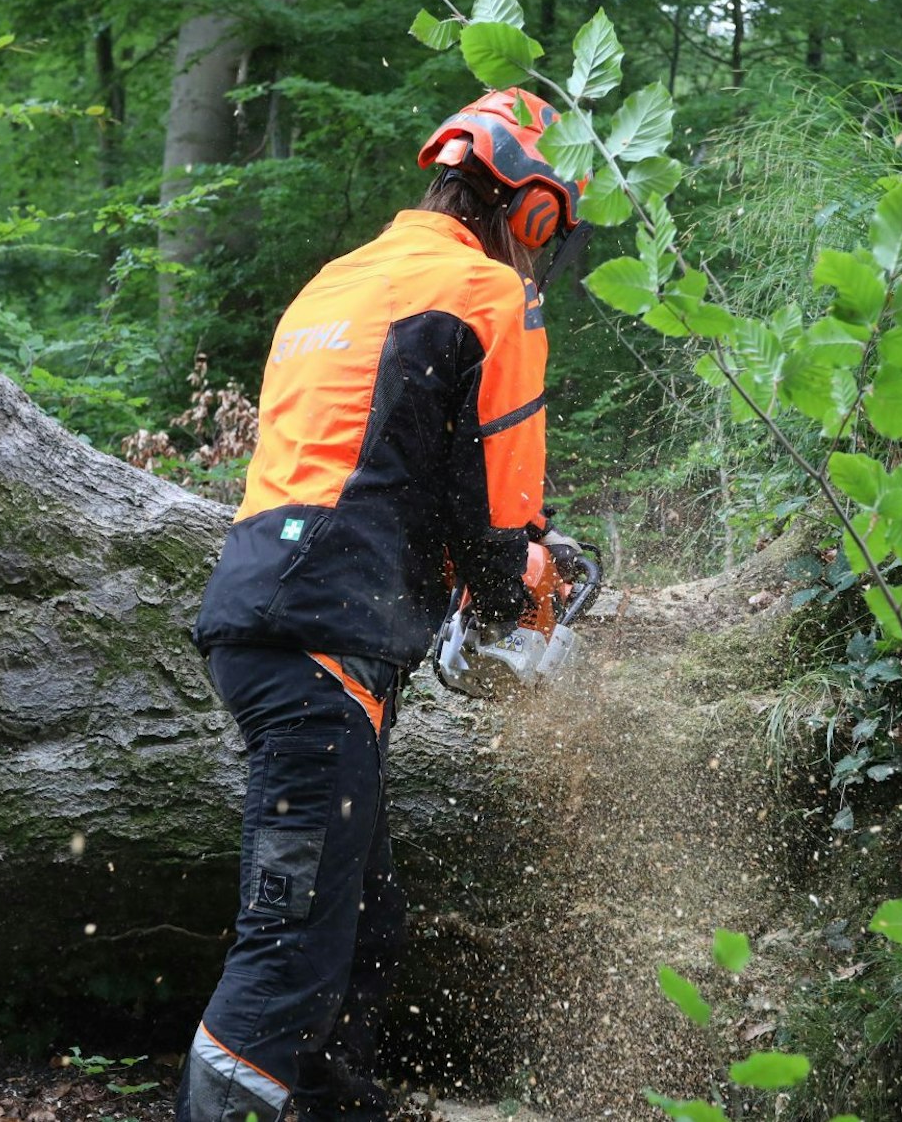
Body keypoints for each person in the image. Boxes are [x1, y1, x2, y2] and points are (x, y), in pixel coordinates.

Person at [180, 87, 587, 1122]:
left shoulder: (338, 279)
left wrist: (457, 582)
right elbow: (498, 515)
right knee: (288, 947)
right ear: (527, 208)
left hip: (263, 608)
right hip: (322, 641)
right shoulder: (490, 295)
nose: (539, 252)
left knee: (361, 921)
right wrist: (519, 594)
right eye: (545, 230)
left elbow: (372, 463)